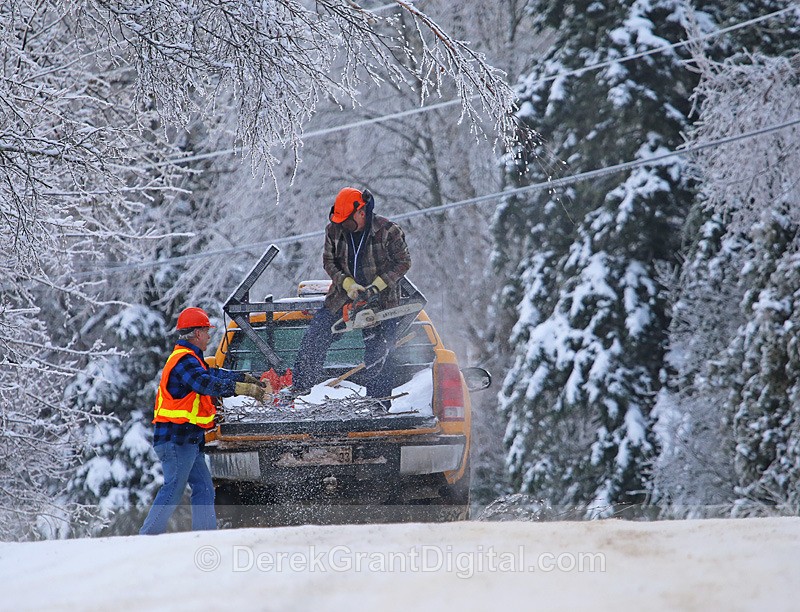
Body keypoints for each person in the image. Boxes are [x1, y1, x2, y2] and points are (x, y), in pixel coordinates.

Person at [139, 306, 270, 535]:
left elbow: (213, 374)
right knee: (173, 489)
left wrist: (243, 377)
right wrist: (242, 389)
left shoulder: (192, 360)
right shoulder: (183, 360)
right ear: (197, 333)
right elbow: (205, 383)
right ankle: (147, 537)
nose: (209, 336)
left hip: (188, 439)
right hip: (176, 440)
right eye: (207, 331)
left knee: (204, 489)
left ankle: (204, 536)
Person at [292, 187, 412, 401]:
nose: (344, 226)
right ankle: (301, 390)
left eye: (348, 221)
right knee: (315, 337)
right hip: (341, 298)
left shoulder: (388, 231)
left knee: (381, 353)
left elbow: (403, 262)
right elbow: (329, 261)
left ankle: (378, 404)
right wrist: (347, 283)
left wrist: (376, 286)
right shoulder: (334, 231)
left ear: (361, 212)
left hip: (383, 301)